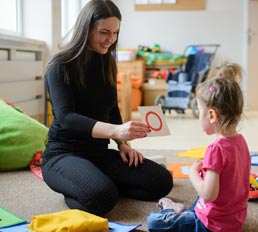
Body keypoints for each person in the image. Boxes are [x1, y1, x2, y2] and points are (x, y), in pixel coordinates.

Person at [42, 0, 173, 216]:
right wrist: (116, 131)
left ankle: (96, 181)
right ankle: (81, 184)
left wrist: (123, 144)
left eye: (115, 33)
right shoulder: (59, 66)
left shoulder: (106, 62)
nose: (110, 39)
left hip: (99, 154)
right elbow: (66, 118)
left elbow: (111, 109)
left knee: (161, 181)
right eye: (104, 32)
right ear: (86, 29)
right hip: (63, 154)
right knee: (103, 198)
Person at [147, 61, 251, 232]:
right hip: (234, 221)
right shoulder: (241, 141)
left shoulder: (216, 148)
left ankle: (172, 209)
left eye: (200, 113)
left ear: (211, 115)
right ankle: (183, 211)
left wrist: (192, 173)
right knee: (197, 201)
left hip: (210, 226)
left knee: (154, 221)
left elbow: (208, 194)